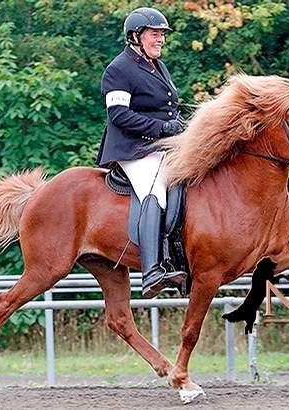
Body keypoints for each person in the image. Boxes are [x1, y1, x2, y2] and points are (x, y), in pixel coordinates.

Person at [96, 7, 187, 299]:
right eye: (154, 33)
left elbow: (168, 107)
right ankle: (151, 272)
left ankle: (180, 259)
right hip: (132, 149)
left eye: (162, 34)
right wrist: (162, 128)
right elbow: (119, 115)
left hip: (161, 145)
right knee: (156, 190)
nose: (160, 39)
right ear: (135, 36)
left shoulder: (156, 65)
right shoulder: (118, 69)